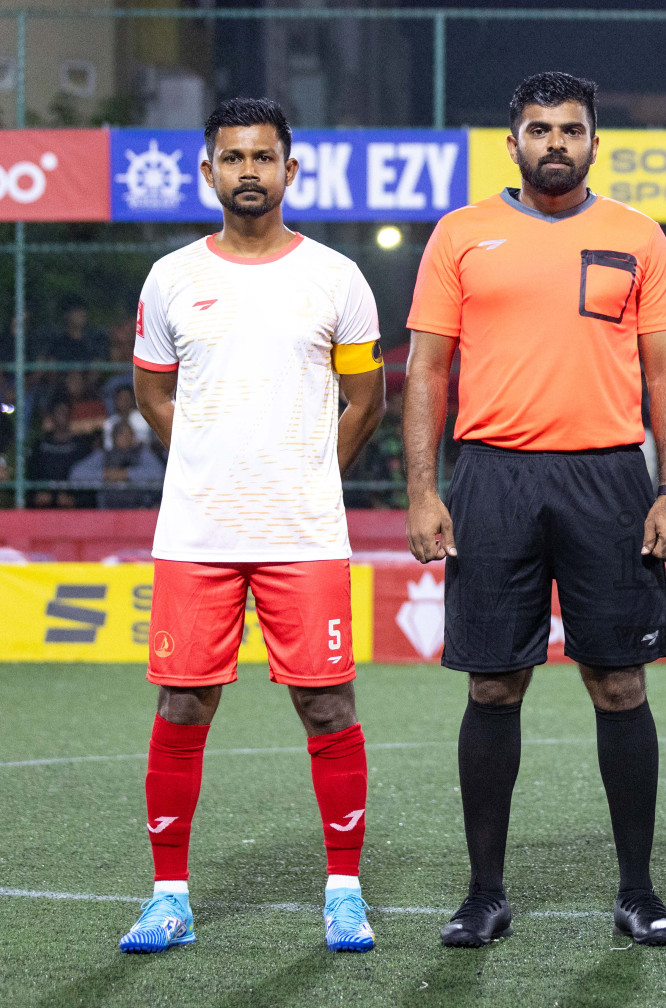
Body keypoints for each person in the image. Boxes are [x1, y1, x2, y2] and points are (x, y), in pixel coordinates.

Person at [403, 71, 666, 949]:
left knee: (620, 682)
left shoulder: (637, 235)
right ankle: (484, 893)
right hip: (493, 478)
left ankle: (637, 892)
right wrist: (423, 490)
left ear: (595, 142)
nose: (556, 142)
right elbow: (425, 371)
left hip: (609, 477)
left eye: (571, 129)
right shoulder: (462, 235)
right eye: (540, 129)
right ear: (514, 142)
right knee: (494, 683)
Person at [117, 97, 386, 955]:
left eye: (262, 158)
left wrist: (305, 472)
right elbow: (153, 395)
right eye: (231, 158)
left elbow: (367, 399)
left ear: (289, 170)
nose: (247, 172)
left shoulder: (337, 278)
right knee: (184, 702)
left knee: (325, 702)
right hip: (196, 534)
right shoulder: (169, 279)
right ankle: (169, 896)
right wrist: (211, 460)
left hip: (303, 534)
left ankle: (343, 890)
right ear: (207, 171)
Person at [68, 419, 164, 509]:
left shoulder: (143, 453)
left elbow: (159, 473)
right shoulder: (103, 455)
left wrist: (126, 474)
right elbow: (75, 474)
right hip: (107, 512)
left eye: (129, 433)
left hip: (139, 510)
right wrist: (106, 475)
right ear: (113, 436)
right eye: (121, 433)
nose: (126, 437)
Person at [27, 398, 96, 507]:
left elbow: (89, 482)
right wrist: (37, 495)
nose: (63, 416)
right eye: (59, 412)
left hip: (74, 510)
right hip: (42, 508)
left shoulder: (82, 446)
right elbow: (31, 476)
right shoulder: (39, 445)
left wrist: (75, 500)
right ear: (52, 416)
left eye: (66, 412)